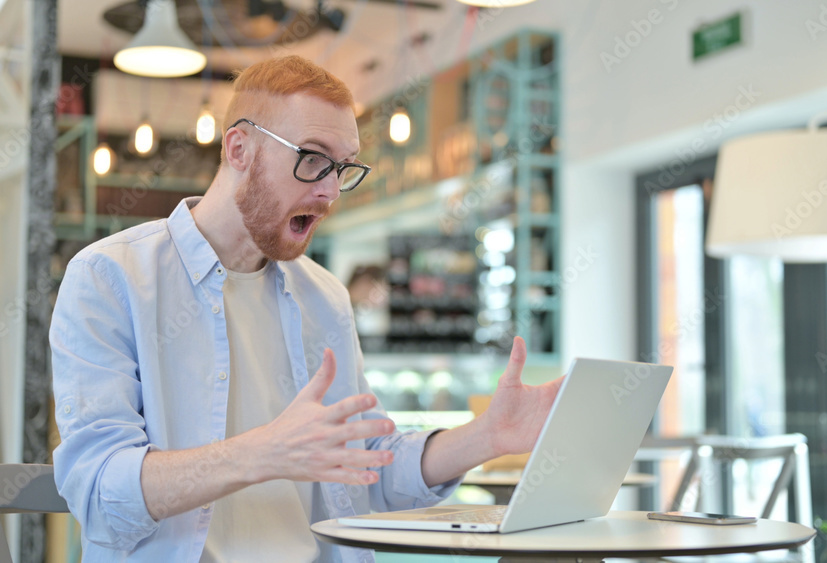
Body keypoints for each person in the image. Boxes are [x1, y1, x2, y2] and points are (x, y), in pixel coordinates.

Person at [50, 55, 563, 563]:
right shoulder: (110, 278)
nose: (329, 190)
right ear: (239, 148)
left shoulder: (325, 297)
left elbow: (367, 469)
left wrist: (487, 435)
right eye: (313, 158)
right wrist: (263, 452)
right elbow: (99, 494)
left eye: (343, 169)